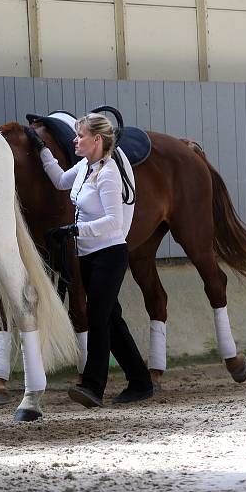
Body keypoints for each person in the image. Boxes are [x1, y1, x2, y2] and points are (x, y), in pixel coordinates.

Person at [32, 113, 154, 408]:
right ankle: (140, 381)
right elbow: (60, 180)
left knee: (98, 319)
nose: (75, 140)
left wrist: (75, 229)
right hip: (88, 255)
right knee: (111, 318)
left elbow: (113, 222)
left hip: (109, 255)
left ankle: (93, 386)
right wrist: (42, 150)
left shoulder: (109, 172)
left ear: (97, 140)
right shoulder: (85, 167)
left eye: (81, 135)